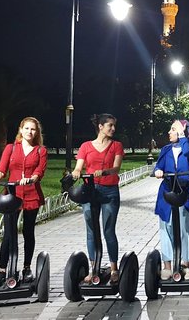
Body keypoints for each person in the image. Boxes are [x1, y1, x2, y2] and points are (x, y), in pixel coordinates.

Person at [0, 116, 47, 287]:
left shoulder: (40, 151)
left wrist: (31, 179)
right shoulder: (11, 148)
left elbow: (39, 171)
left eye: (33, 129)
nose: (30, 132)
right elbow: (2, 168)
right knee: (8, 233)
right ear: (21, 130)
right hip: (12, 194)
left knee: (28, 231)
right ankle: (2, 270)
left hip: (31, 194)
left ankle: (26, 267)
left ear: (37, 132)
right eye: (27, 128)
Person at [72, 113, 124, 284]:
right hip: (90, 191)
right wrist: (77, 172)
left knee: (108, 229)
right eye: (110, 125)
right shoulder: (86, 146)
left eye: (114, 125)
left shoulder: (116, 145)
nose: (113, 129)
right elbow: (79, 166)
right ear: (101, 127)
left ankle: (114, 268)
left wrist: (105, 171)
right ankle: (94, 267)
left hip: (109, 191)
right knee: (91, 230)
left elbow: (116, 168)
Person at [153, 120, 189, 280]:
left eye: (173, 129)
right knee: (166, 227)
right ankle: (167, 265)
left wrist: (182, 136)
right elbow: (158, 166)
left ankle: (186, 265)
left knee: (185, 228)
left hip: (184, 193)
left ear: (183, 132)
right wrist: (158, 171)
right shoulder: (166, 149)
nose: (169, 132)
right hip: (167, 192)